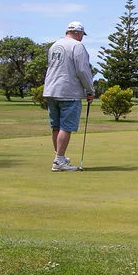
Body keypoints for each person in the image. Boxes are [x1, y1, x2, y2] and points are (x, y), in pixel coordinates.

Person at [43, 21, 94, 172]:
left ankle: (59, 157)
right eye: (82, 35)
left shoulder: (55, 45)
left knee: (56, 126)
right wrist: (90, 90)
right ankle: (59, 161)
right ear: (78, 33)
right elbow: (82, 70)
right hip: (68, 92)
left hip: (51, 90)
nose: (82, 38)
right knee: (66, 126)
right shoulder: (77, 46)